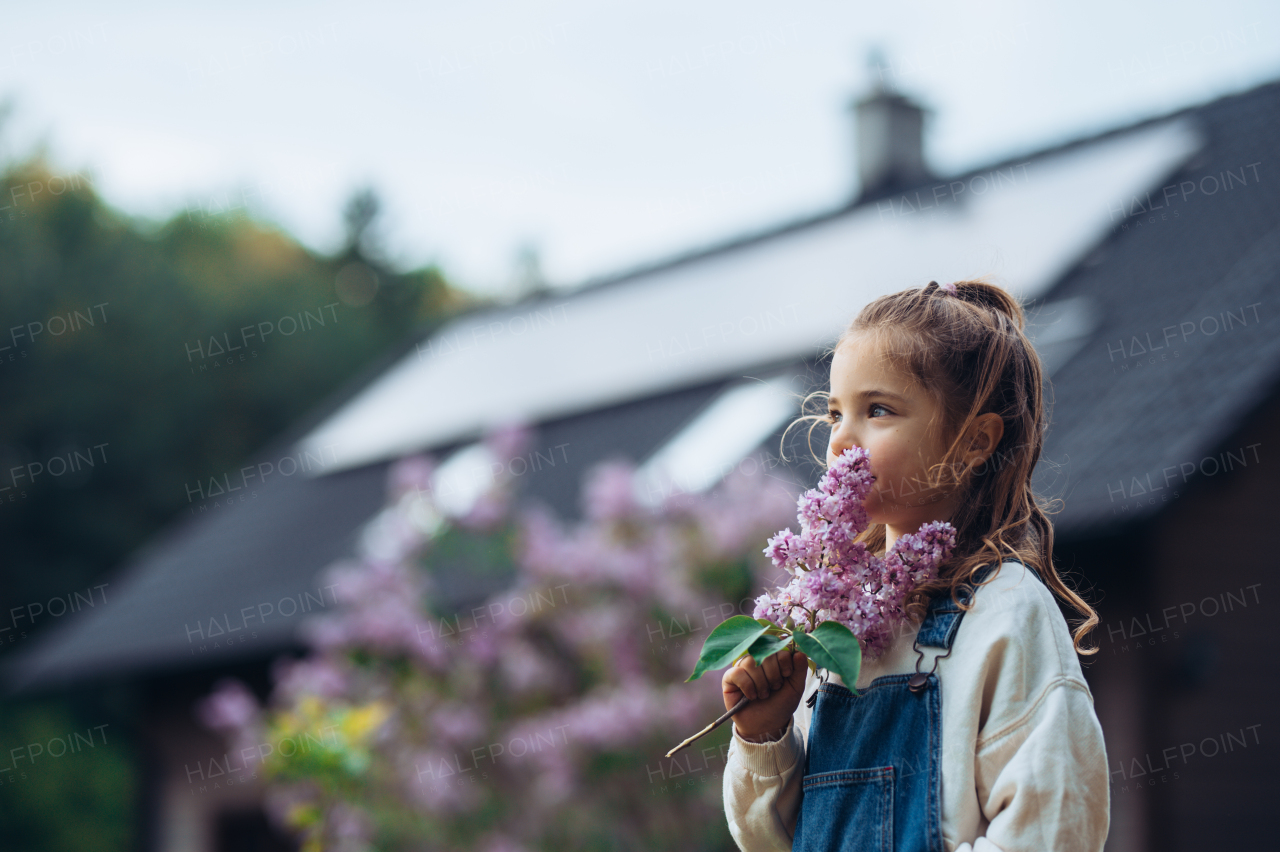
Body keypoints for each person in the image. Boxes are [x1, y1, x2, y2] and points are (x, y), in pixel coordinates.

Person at [721, 279, 1109, 852]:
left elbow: (1052, 826)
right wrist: (764, 735)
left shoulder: (1004, 611)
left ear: (974, 440)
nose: (841, 440)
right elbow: (770, 841)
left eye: (877, 410)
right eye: (834, 414)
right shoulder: (832, 628)